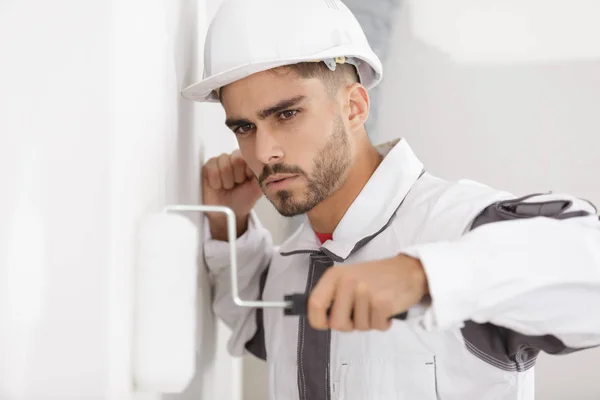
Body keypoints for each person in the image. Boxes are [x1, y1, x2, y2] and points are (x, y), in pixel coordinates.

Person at [182, 0, 600, 398]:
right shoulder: (292, 266)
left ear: (354, 107)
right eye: (243, 128)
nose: (263, 152)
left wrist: (421, 276)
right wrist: (228, 225)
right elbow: (261, 326)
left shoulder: (457, 227)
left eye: (287, 114)